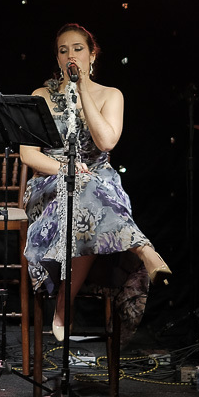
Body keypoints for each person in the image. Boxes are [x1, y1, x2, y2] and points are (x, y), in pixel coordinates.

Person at [21, 23, 171, 342]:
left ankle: (64, 303)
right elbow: (28, 154)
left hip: (98, 183)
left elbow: (106, 142)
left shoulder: (111, 95)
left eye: (78, 49)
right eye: (63, 51)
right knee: (84, 192)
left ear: (92, 55)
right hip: (50, 184)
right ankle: (144, 250)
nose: (70, 55)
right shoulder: (40, 96)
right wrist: (66, 169)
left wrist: (83, 90)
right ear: (57, 59)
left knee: (89, 193)